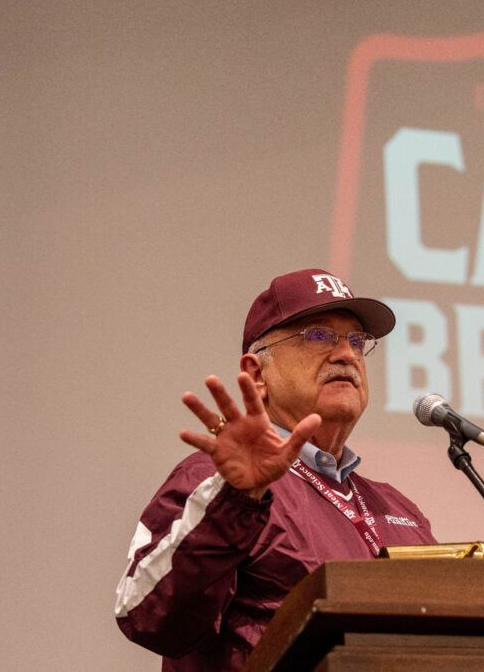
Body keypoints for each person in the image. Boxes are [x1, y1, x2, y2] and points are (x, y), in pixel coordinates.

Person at [114, 268, 436, 670]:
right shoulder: (215, 482)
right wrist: (236, 500)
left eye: (357, 341)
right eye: (318, 336)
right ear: (256, 373)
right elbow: (145, 615)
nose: (346, 354)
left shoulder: (398, 508)